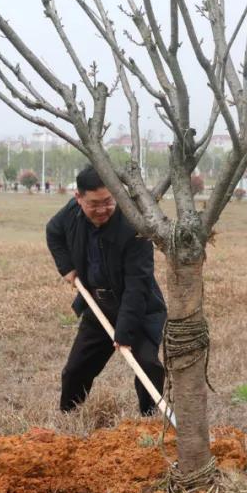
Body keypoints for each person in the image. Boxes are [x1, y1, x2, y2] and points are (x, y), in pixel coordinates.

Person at [46, 166, 166, 415]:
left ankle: (149, 419)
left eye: (108, 201)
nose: (102, 209)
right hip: (97, 304)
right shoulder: (71, 213)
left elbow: (137, 283)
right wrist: (66, 267)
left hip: (138, 306)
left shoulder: (135, 225)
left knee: (147, 365)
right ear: (78, 198)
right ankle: (68, 415)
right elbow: (53, 232)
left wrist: (124, 333)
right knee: (76, 369)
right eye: (94, 203)